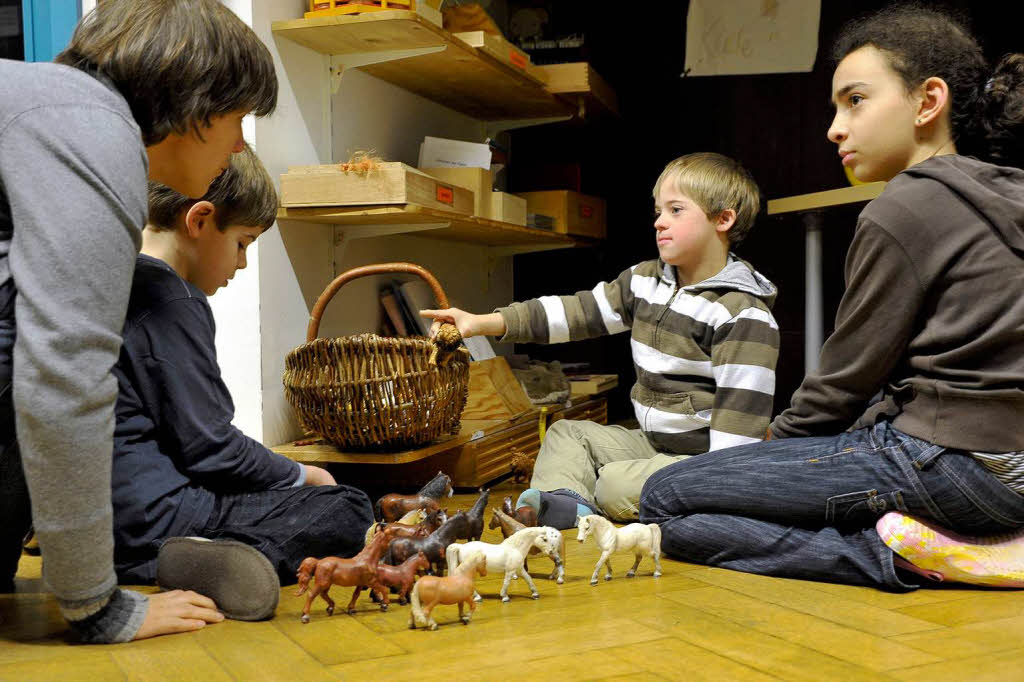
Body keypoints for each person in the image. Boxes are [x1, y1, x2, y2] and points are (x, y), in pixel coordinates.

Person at [640, 4, 1024, 590]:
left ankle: (908, 557)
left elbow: (844, 383)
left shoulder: (906, 206)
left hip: (954, 464)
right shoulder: (1007, 192)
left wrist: (771, 447)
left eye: (856, 100)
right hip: (1011, 469)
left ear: (928, 102)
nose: (834, 128)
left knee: (665, 498)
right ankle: (981, 542)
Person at [0, 0, 278, 642]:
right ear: (197, 105)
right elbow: (63, 376)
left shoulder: (51, 108)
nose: (238, 144)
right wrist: (97, 605)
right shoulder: (93, 133)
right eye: (238, 121)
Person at [424, 152, 779, 528]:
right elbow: (575, 313)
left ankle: (612, 498)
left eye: (676, 210)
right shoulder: (644, 281)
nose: (660, 222)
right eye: (658, 211)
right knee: (566, 433)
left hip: (704, 461)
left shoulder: (741, 314)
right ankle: (569, 504)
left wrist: (717, 494)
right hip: (653, 443)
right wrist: (481, 322)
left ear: (723, 219)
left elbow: (736, 442)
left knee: (613, 484)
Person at [111, 145, 374, 618]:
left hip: (113, 515)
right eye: (243, 242)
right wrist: (301, 474)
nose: (242, 265)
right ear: (199, 221)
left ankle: (169, 555)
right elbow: (211, 447)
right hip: (161, 519)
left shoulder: (117, 278)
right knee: (348, 507)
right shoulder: (174, 300)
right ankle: (197, 562)